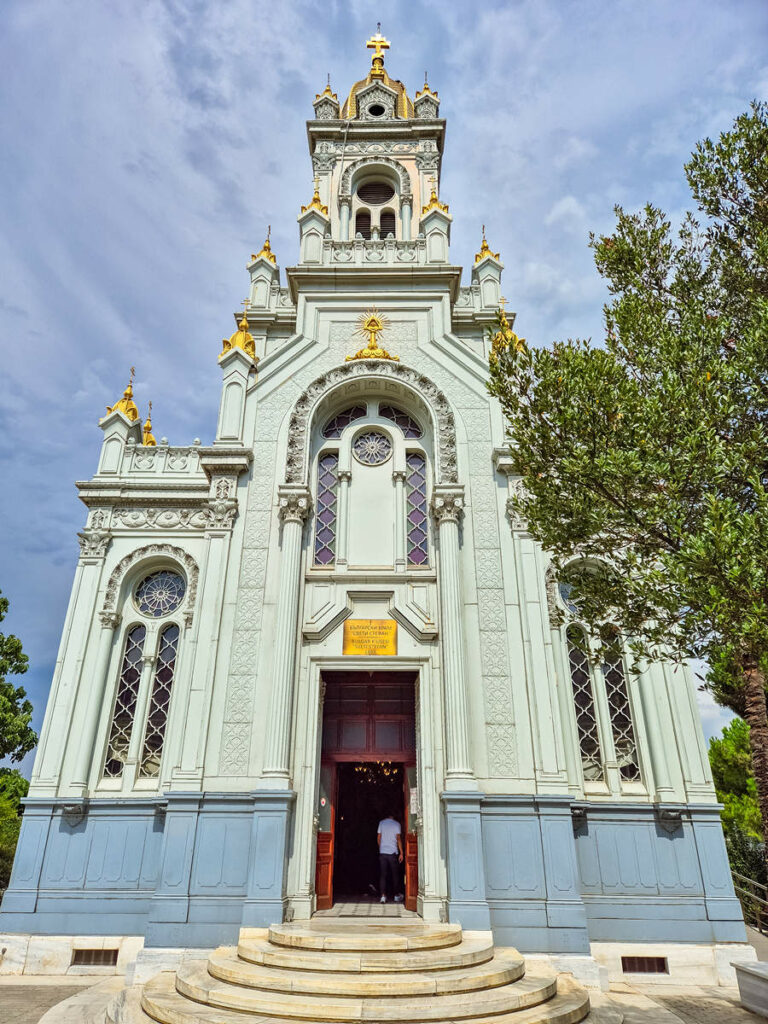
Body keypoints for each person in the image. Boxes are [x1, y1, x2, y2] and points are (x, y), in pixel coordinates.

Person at [377, 811, 403, 904]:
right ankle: (396, 895)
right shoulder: (397, 824)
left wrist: (381, 848)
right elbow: (398, 839)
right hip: (393, 853)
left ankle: (383, 896)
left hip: (383, 853)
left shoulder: (381, 823)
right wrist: (401, 853)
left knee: (383, 875)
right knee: (395, 875)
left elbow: (379, 837)